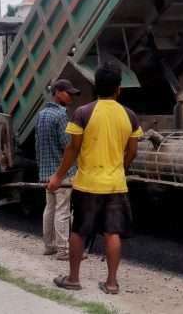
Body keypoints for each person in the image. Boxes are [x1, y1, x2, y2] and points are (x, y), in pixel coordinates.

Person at [48, 62, 143, 295]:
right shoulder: (129, 115)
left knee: (79, 231)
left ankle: (73, 279)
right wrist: (120, 167)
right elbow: (132, 151)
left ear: (95, 86)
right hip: (115, 184)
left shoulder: (83, 113)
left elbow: (72, 150)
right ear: (118, 89)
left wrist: (58, 177)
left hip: (87, 184)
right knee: (112, 232)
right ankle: (111, 283)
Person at [37, 78, 80, 260]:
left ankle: (49, 246)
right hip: (62, 173)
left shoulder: (42, 114)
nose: (70, 97)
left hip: (46, 172)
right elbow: (67, 146)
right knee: (63, 211)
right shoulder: (61, 115)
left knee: (50, 209)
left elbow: (38, 145)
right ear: (57, 92)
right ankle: (64, 250)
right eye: (68, 93)